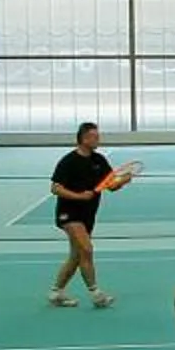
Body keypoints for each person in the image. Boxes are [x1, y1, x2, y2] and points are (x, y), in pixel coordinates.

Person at [47, 122, 118, 307]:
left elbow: (111, 184)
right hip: (69, 214)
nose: (98, 139)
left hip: (88, 215)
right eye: (94, 136)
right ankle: (96, 294)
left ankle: (56, 292)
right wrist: (79, 196)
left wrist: (122, 181)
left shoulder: (99, 161)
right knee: (87, 249)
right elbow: (55, 188)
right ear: (84, 138)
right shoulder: (68, 161)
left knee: (77, 255)